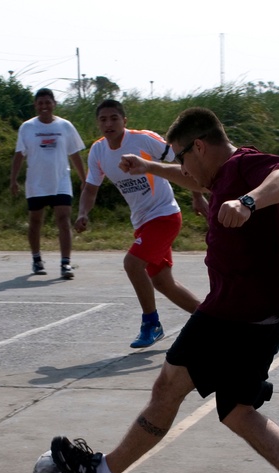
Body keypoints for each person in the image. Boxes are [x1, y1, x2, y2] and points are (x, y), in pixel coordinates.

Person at [51, 107, 279, 473]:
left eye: (183, 156)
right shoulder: (220, 175)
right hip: (266, 314)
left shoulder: (245, 166)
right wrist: (150, 167)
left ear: (199, 146)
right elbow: (190, 178)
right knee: (238, 410)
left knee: (167, 388)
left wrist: (247, 202)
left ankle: (101, 472)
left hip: (229, 313)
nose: (183, 166)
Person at [75, 99, 202, 348]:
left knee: (132, 263)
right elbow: (90, 188)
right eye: (103, 119)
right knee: (163, 282)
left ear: (125, 121)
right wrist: (82, 213)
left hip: (165, 215)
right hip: (142, 221)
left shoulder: (143, 140)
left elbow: (183, 161)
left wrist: (198, 195)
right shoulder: (98, 152)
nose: (109, 123)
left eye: (114, 118)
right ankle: (213, 322)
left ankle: (151, 323)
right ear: (98, 123)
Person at [10, 88, 86, 279]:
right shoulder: (27, 127)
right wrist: (13, 180)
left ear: (54, 104)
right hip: (36, 183)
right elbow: (19, 154)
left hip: (61, 181)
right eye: (40, 103)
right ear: (35, 105)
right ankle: (37, 260)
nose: (44, 106)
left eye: (47, 102)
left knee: (63, 220)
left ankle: (65, 264)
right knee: (36, 221)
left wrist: (85, 179)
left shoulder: (65, 126)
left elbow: (74, 154)